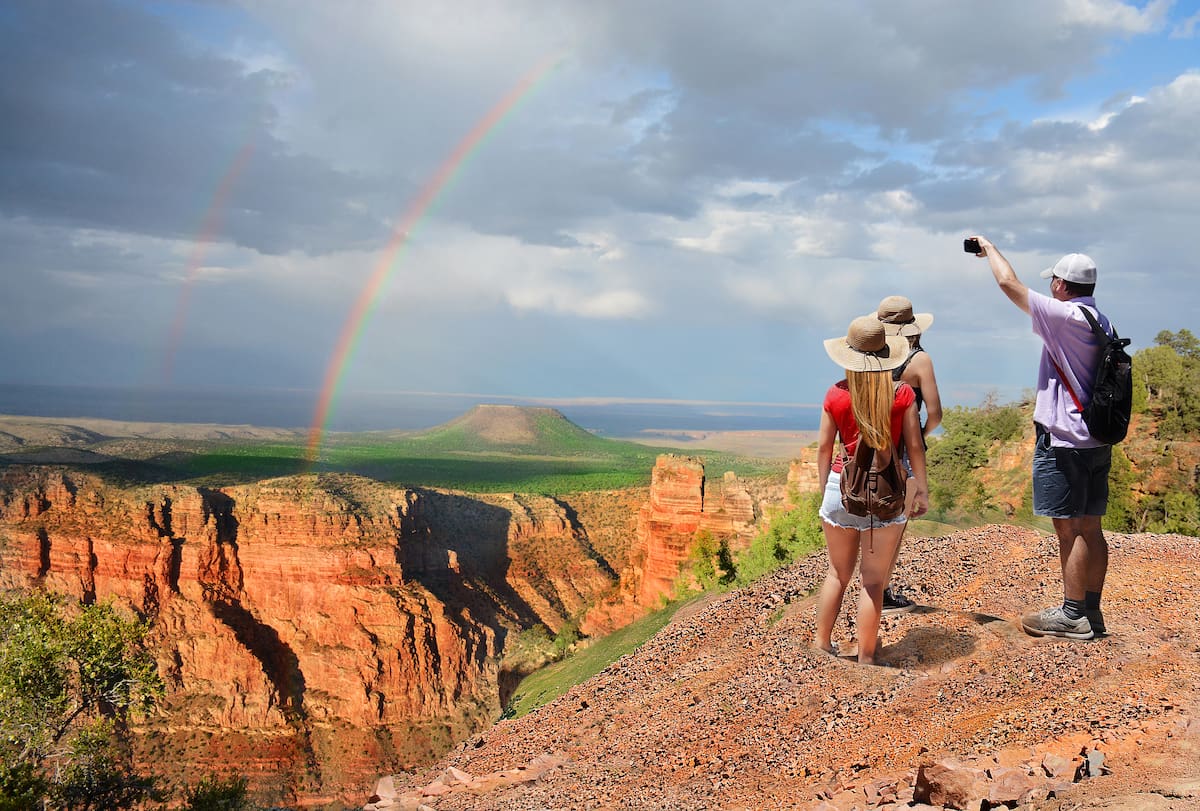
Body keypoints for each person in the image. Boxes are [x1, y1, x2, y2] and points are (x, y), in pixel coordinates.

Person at [970, 236, 1112, 640]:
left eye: (1054, 281)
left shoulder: (1064, 316)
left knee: (1069, 529)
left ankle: (1071, 615)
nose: (1051, 286)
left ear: (1062, 286)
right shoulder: (1101, 320)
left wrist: (990, 250)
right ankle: (1091, 612)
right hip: (1096, 439)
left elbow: (1008, 285)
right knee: (1091, 527)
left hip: (1065, 440)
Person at [813, 316, 930, 664]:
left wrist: (825, 490)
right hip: (887, 494)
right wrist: (919, 491)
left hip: (842, 488)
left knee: (837, 573)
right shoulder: (902, 394)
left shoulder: (836, 394)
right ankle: (866, 657)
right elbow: (914, 447)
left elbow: (823, 448)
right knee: (873, 582)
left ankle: (821, 644)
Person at [871, 296, 943, 614]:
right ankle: (880, 593)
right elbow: (936, 414)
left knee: (871, 521)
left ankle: (870, 590)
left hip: (867, 449)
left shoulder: (870, 355)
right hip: (902, 454)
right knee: (896, 525)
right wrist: (921, 436)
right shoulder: (918, 361)